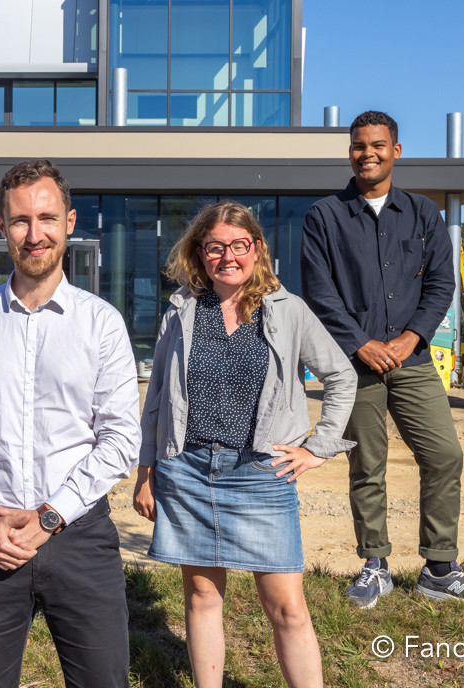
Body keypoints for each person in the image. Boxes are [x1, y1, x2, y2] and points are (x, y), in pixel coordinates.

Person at [0, 160, 141, 687]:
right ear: (2, 228)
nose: (34, 233)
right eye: (20, 220)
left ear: (69, 222)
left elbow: (119, 440)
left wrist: (50, 517)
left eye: (46, 218)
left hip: (79, 538)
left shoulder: (101, 323)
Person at [133, 201, 356, 688]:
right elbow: (157, 396)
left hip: (262, 475)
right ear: (200, 253)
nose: (227, 256)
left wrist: (319, 447)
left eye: (239, 245)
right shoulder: (183, 310)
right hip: (188, 470)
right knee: (201, 598)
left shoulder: (286, 309)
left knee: (287, 608)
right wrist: (146, 469)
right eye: (215, 247)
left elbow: (341, 375)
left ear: (257, 249)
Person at [300, 110, 464, 609]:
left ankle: (440, 567)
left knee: (444, 455)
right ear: (349, 151)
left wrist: (413, 337)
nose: (366, 153)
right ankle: (374, 565)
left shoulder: (423, 214)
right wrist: (361, 343)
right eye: (358, 145)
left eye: (377, 145)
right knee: (366, 464)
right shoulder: (323, 216)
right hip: (355, 365)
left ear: (396, 150)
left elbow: (440, 285)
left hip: (411, 362)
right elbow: (319, 291)